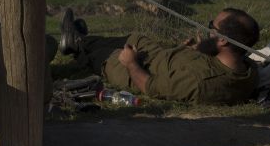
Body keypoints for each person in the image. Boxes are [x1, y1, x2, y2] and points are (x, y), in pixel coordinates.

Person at [59, 7, 259, 104]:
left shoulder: (200, 82)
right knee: (133, 38)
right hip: (157, 54)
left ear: (223, 40)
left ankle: (75, 46)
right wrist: (198, 51)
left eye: (211, 27)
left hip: (137, 68)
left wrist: (130, 64)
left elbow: (150, 87)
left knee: (105, 56)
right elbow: (216, 64)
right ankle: (80, 39)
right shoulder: (246, 67)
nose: (207, 30)